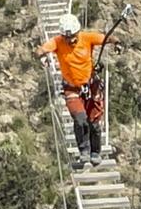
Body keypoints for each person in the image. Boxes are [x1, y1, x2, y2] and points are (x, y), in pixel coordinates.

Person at [37, 13, 113, 164]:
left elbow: (106, 38)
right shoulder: (58, 42)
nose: (71, 40)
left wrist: (117, 43)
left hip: (91, 85)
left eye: (73, 36)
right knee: (80, 120)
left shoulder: (87, 38)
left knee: (94, 123)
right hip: (72, 88)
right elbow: (41, 49)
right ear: (62, 36)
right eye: (67, 37)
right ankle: (84, 150)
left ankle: (95, 152)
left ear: (78, 32)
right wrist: (42, 56)